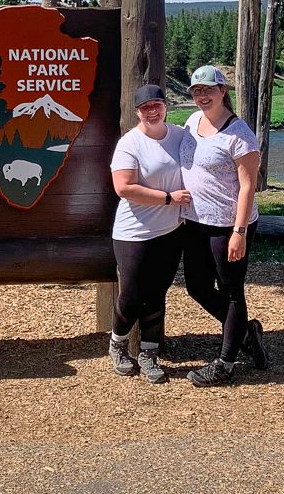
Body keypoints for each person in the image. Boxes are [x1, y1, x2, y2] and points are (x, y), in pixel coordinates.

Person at [179, 65, 270, 386]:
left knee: (232, 293)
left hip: (228, 226)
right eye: (196, 91)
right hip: (194, 222)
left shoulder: (240, 135)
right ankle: (247, 333)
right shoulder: (191, 123)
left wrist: (239, 232)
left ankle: (226, 363)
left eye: (208, 89)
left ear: (223, 91)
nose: (202, 96)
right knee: (197, 287)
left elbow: (248, 187)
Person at [107, 83, 190, 384]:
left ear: (166, 106)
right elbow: (124, 187)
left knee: (157, 292)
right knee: (130, 294)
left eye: (157, 105)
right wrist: (168, 198)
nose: (152, 111)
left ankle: (149, 353)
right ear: (137, 113)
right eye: (145, 108)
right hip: (134, 233)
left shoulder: (181, 136)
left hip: (170, 230)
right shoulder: (130, 144)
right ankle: (117, 344)